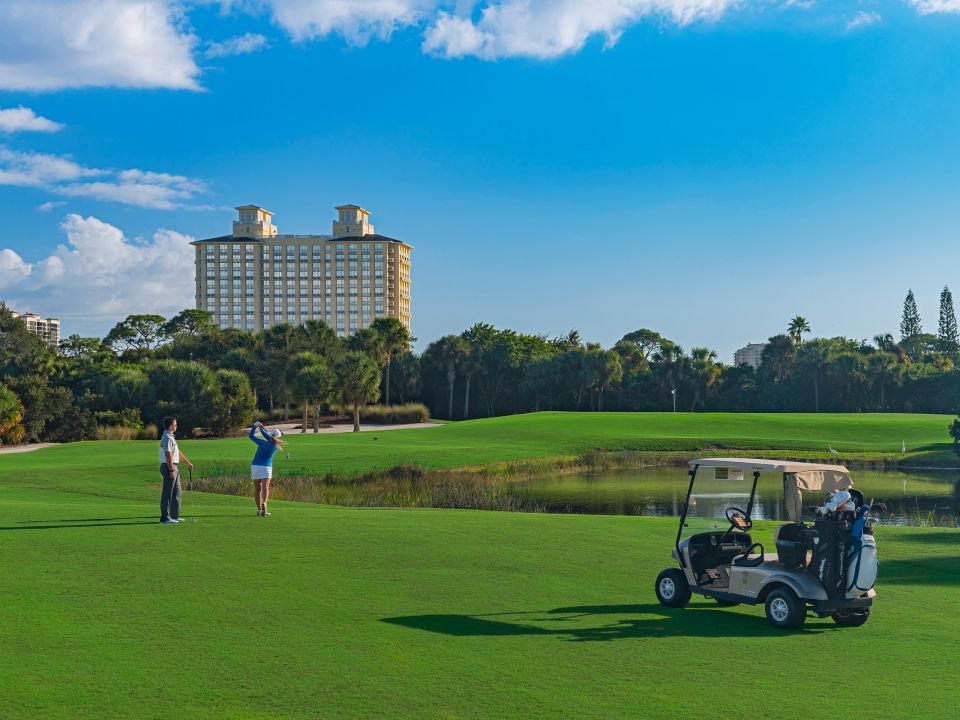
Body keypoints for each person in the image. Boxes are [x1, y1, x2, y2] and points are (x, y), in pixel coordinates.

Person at [160, 417, 194, 524]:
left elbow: (177, 452)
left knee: (177, 492)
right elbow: (168, 454)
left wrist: (187, 462)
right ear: (170, 426)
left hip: (174, 466)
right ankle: (164, 518)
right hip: (169, 467)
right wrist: (171, 470)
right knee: (168, 493)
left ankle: (175, 516)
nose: (176, 426)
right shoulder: (167, 437)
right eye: (175, 424)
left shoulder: (171, 437)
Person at [249, 420, 284, 516]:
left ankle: (259, 510)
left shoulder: (262, 443)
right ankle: (264, 502)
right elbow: (268, 437)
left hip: (256, 465)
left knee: (257, 489)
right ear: (278, 437)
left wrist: (255, 426)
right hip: (267, 467)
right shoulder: (276, 446)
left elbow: (251, 436)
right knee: (265, 487)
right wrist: (261, 428)